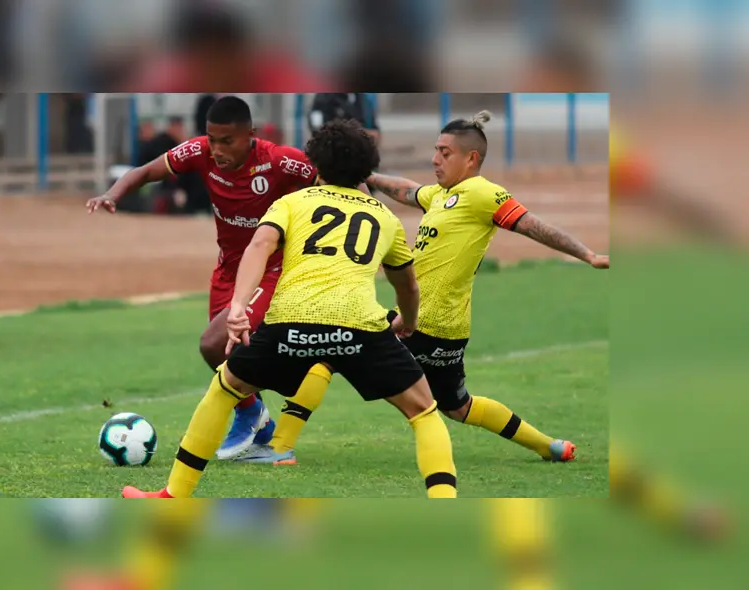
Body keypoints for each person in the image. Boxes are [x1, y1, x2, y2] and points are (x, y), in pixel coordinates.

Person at [236, 111, 610, 466]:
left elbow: (532, 225)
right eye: (435, 150)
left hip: (422, 322)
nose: (435, 159)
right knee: (458, 406)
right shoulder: (443, 195)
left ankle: (279, 448)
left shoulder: (483, 193)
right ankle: (550, 446)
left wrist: (586, 254)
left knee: (327, 355)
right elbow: (408, 191)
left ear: (471, 158)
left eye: (444, 152)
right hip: (446, 327)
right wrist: (362, 173)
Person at [122, 119, 458, 499]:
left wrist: (238, 307)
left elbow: (259, 247)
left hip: (291, 323)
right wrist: (407, 321)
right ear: (366, 169)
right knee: (423, 411)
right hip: (360, 326)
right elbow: (407, 285)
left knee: (225, 388)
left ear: (317, 165)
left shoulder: (292, 203)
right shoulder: (385, 217)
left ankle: (173, 496)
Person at [86, 96, 337, 460]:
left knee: (213, 343)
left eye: (227, 141)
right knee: (226, 356)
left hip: (272, 269)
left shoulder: (280, 161)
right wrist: (112, 194)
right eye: (212, 139)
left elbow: (340, 179)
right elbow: (146, 171)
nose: (217, 150)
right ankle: (263, 427)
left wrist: (365, 220)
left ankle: (254, 412)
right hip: (227, 271)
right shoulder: (199, 151)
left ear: (250, 135)